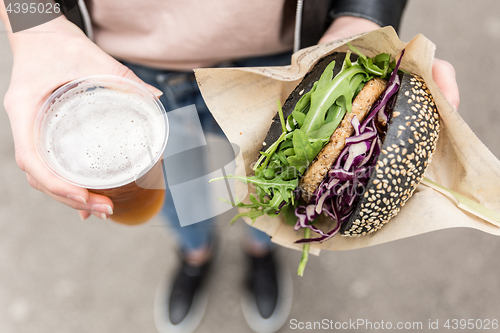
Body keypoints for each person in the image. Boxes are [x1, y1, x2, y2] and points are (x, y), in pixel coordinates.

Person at [0, 1, 459, 332]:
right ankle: (196, 254)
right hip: (131, 70)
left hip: (290, 59)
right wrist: (35, 23)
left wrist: (362, 13)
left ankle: (260, 252)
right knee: (172, 192)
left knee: (276, 188)